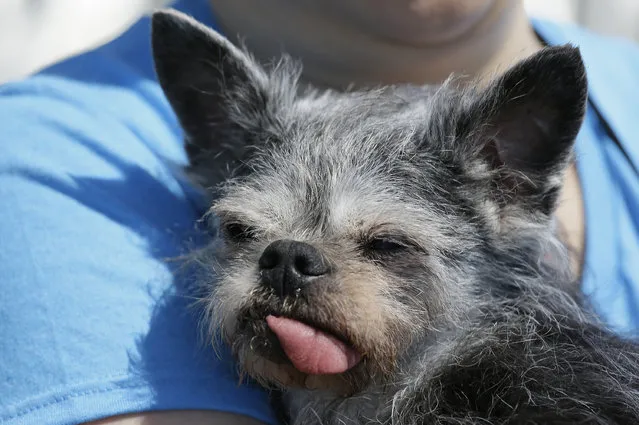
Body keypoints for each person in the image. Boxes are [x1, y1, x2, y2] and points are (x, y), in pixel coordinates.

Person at [1, 0, 638, 424]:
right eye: (244, 234)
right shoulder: (49, 158)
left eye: (388, 246)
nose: (289, 266)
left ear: (511, 184)